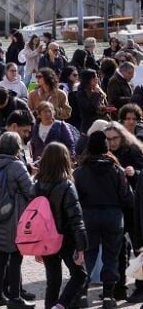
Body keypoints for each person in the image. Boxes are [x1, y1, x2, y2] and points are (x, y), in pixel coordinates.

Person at [74, 131, 134, 309]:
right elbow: (127, 197)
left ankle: (82, 294)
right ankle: (109, 297)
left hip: (88, 216)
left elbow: (74, 197)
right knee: (111, 256)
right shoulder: (117, 170)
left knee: (88, 256)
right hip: (113, 217)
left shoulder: (80, 171)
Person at [0, 132, 35, 309]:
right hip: (13, 219)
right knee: (15, 257)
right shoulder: (16, 166)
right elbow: (31, 191)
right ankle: (15, 298)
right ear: (17, 147)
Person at [36, 142, 88, 309]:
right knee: (80, 275)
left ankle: (52, 306)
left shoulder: (37, 186)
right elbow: (76, 218)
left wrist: (38, 248)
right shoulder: (67, 185)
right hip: (67, 239)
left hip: (46, 239)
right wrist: (81, 247)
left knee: (53, 281)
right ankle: (60, 306)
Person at [104, 121, 143, 301]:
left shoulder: (133, 150)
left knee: (138, 248)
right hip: (116, 207)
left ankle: (141, 288)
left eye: (115, 138)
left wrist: (134, 172)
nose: (112, 142)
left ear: (122, 136)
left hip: (134, 206)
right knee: (119, 250)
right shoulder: (106, 153)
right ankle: (119, 288)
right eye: (109, 139)